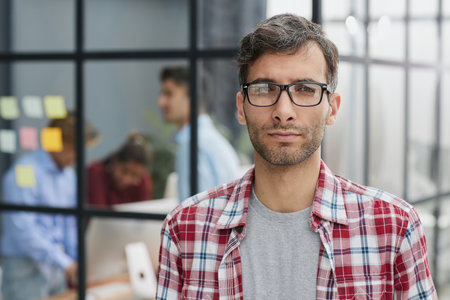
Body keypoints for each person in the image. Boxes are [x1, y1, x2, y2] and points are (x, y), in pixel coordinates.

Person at [156, 14, 437, 299]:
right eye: (264, 89)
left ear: (333, 108)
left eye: (305, 89)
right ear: (241, 108)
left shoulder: (394, 228)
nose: (284, 110)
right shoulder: (184, 229)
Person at [1, 113, 98, 300]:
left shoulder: (68, 177)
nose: (76, 157)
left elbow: (70, 223)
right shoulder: (25, 172)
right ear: (58, 142)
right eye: (74, 149)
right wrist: (65, 262)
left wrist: (76, 261)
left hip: (57, 269)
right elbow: (23, 229)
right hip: (26, 269)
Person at [157, 66, 241, 202]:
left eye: (169, 94)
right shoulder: (212, 139)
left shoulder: (192, 143)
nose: (160, 102)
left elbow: (194, 215)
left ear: (191, 97)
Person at [87, 132, 154, 207]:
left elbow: (144, 212)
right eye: (124, 171)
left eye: (134, 175)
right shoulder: (96, 172)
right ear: (114, 161)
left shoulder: (143, 180)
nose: (126, 179)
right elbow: (98, 214)